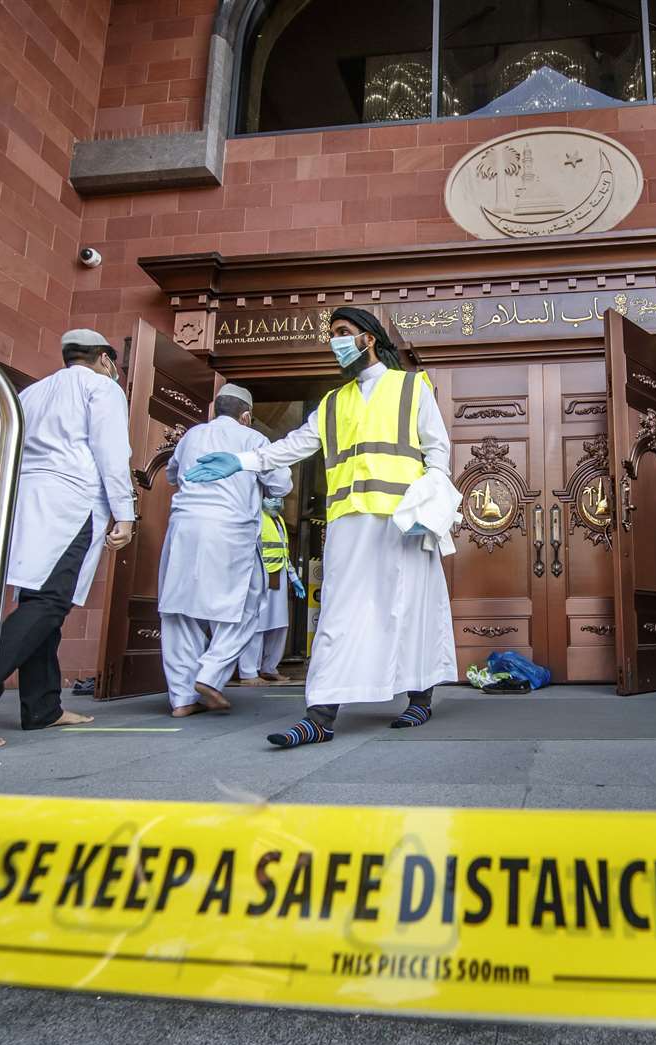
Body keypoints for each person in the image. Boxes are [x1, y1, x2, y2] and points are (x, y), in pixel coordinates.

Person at [183, 307, 456, 747]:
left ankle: (420, 698)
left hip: (404, 521)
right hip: (349, 524)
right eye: (332, 335)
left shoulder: (411, 387)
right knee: (337, 615)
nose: (336, 342)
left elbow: (438, 452)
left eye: (344, 333)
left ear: (369, 338)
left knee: (410, 609)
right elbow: (292, 447)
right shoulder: (332, 403)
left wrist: (432, 505)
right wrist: (242, 460)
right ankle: (320, 716)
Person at [0, 329, 135, 747]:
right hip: (71, 502)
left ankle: (43, 707)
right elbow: (113, 453)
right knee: (49, 603)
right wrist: (126, 514)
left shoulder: (32, 392)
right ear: (104, 358)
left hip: (26, 499)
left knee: (38, 601)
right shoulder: (102, 389)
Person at [158, 383, 291, 717]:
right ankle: (211, 673)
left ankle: (182, 699)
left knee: (179, 611)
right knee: (247, 603)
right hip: (230, 531)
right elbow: (280, 484)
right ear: (246, 416)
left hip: (184, 527)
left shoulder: (191, 435)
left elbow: (173, 475)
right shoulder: (254, 440)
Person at [235, 494, 302, 683]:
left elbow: (284, 551)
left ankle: (269, 667)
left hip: (278, 577)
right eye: (271, 498)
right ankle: (249, 671)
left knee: (279, 625)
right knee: (257, 625)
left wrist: (293, 577)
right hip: (260, 576)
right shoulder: (256, 517)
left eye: (279, 499)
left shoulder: (279, 521)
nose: (276, 502)